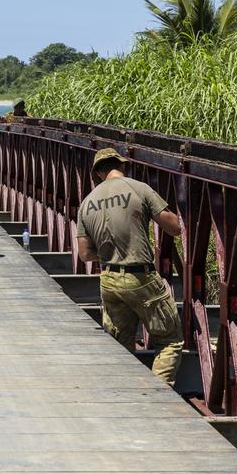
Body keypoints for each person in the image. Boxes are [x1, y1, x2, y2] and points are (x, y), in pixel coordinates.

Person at [76, 148, 183, 385]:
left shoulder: (87, 203)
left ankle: (126, 391)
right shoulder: (139, 188)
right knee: (169, 340)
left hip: (109, 281)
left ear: (98, 174)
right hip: (141, 279)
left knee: (120, 347)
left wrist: (109, 254)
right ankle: (159, 394)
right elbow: (174, 227)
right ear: (121, 166)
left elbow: (84, 254)